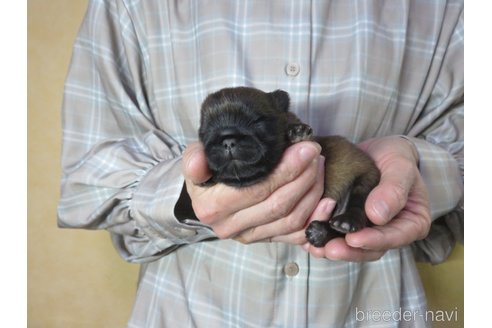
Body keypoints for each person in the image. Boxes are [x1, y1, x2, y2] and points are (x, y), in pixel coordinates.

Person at [58, 0, 463, 327]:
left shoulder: (447, 8)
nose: (232, 146)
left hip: (372, 308)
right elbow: (84, 184)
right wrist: (183, 198)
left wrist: (421, 171)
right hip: (190, 311)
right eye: (218, 139)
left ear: (285, 122)